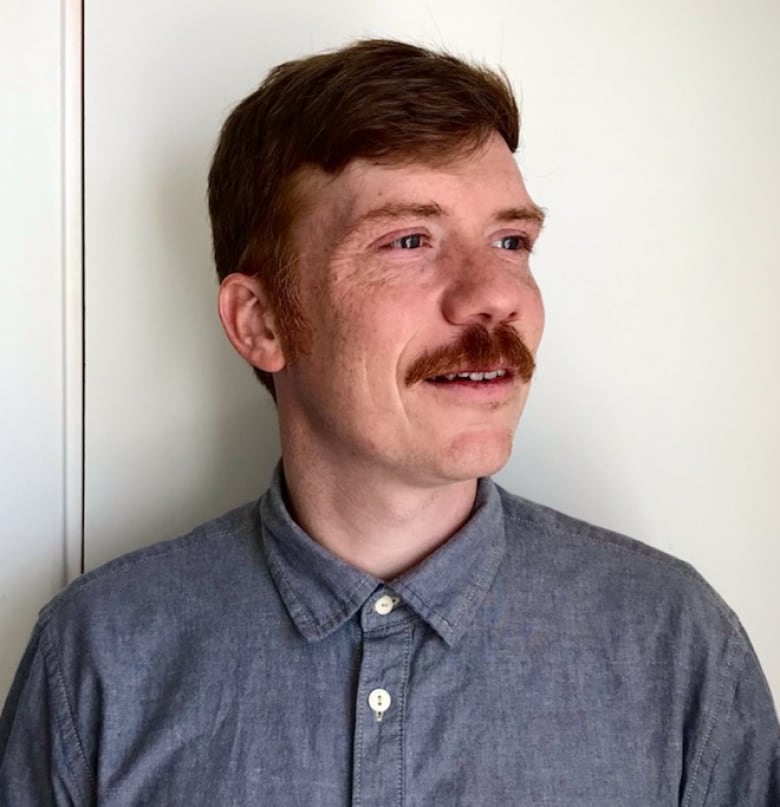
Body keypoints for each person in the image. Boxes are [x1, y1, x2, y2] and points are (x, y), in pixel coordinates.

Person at [1, 38, 778, 806]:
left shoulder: (676, 650)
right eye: (409, 240)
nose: (492, 296)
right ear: (261, 321)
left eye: (510, 241)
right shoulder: (100, 662)